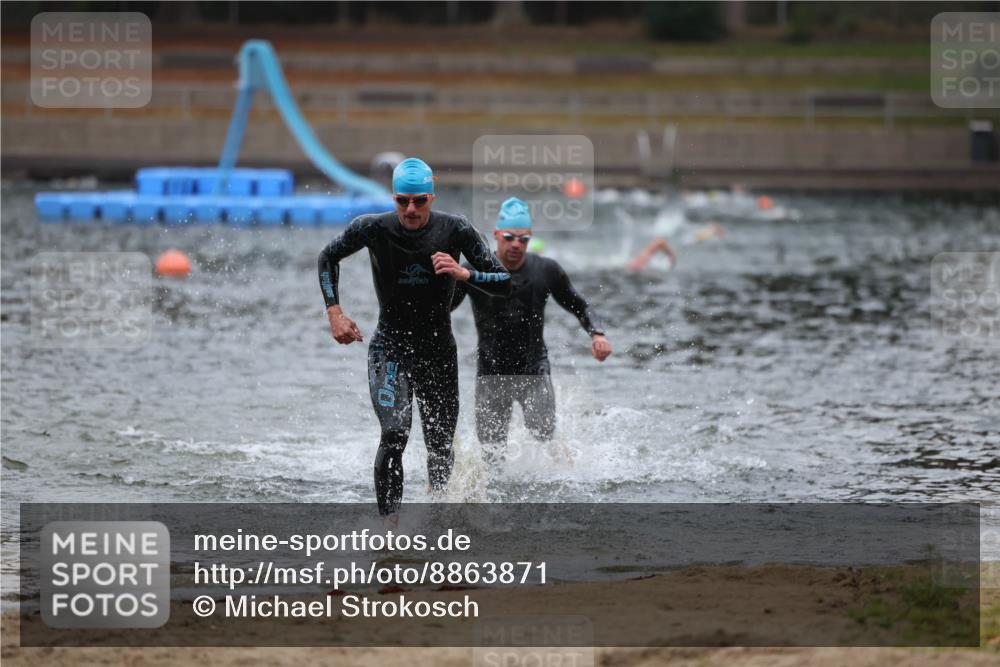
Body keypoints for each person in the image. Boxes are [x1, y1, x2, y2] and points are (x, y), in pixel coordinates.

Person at [318, 158, 511, 517]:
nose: (410, 209)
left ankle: (437, 516)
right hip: (390, 347)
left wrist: (463, 272)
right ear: (393, 198)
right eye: (402, 201)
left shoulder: (457, 230)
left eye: (419, 201)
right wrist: (335, 313)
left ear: (431, 197)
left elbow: (503, 282)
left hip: (438, 350)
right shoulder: (372, 228)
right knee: (394, 435)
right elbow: (328, 256)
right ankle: (388, 533)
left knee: (440, 447)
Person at [451, 197, 611, 463]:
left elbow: (579, 305)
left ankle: (567, 476)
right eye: (509, 237)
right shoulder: (472, 272)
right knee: (491, 455)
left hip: (534, 370)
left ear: (529, 239)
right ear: (496, 236)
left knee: (545, 437)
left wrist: (598, 333)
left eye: (523, 239)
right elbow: (441, 310)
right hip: (491, 374)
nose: (516, 244)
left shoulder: (546, 270)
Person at [626, 222, 725, 272]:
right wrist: (672, 257)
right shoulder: (652, 249)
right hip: (692, 241)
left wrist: (671, 257)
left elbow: (660, 243)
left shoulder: (708, 233)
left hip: (692, 240)